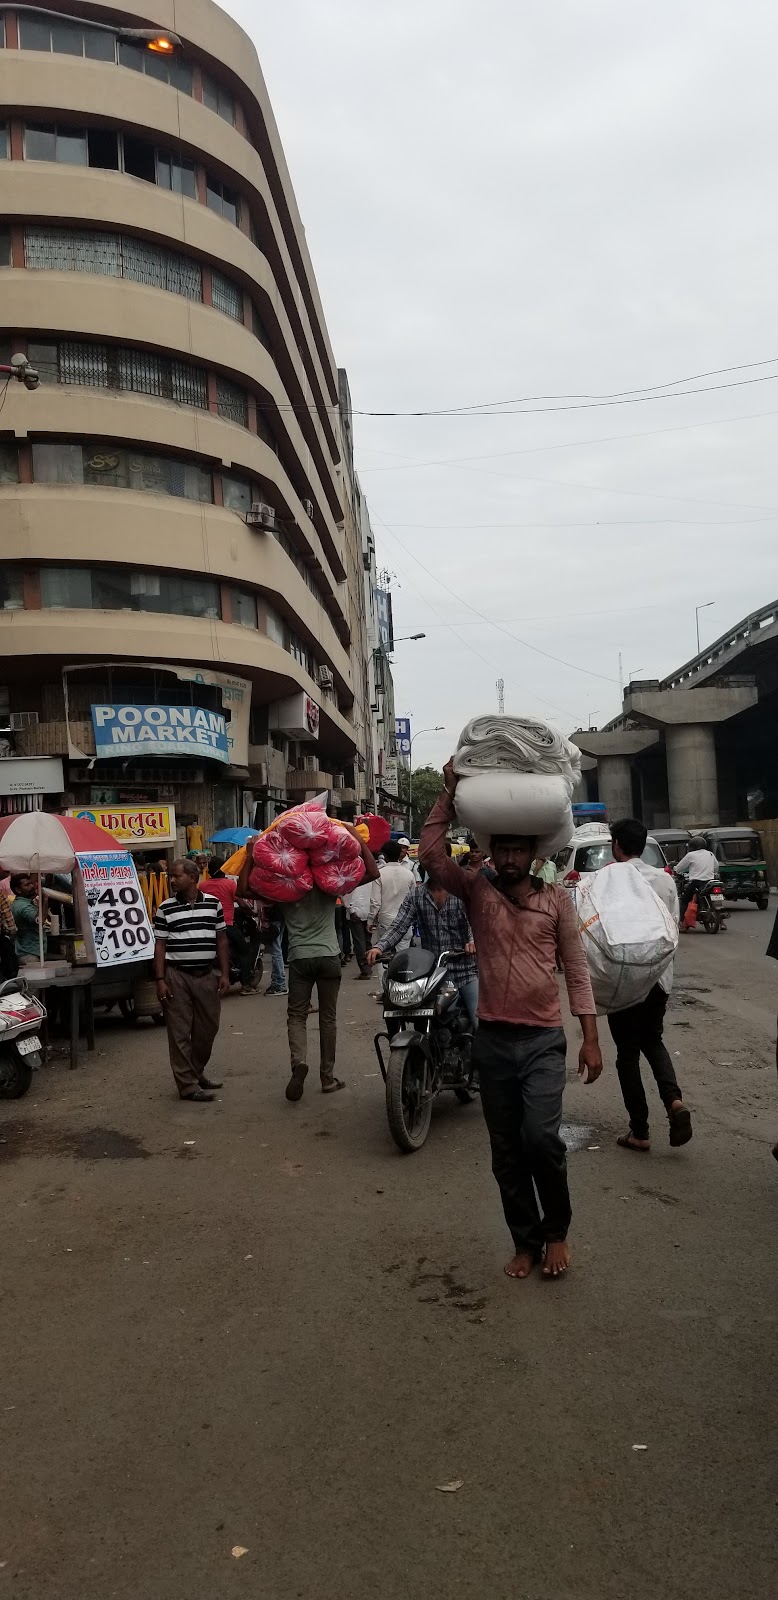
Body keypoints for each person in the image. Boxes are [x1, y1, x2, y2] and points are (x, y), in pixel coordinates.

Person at [418, 762, 602, 1280]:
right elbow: (432, 855)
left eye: (519, 850)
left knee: (541, 1140)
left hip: (543, 1041)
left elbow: (577, 971)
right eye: (502, 849)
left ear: (533, 853)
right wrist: (449, 792)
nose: (510, 858)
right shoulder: (478, 892)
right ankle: (525, 1241)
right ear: (492, 852)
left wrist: (590, 1039)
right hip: (493, 1041)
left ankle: (557, 1231)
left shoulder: (556, 901)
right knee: (505, 1152)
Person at [239, 826, 379, 1101]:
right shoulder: (329, 885)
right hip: (328, 956)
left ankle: (299, 1062)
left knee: (297, 1016)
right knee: (328, 1018)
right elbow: (373, 873)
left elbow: (242, 888)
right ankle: (327, 1078)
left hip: (300, 959)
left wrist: (251, 855)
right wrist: (358, 838)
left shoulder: (283, 889)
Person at [608, 818, 692, 1153]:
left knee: (627, 1055)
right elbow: (673, 928)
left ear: (616, 845)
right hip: (659, 978)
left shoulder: (609, 879)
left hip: (623, 979)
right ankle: (674, 1102)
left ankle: (640, 1131)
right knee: (653, 1041)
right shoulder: (664, 881)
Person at [153, 858, 231, 1102]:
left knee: (208, 1029)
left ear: (193, 878)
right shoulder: (165, 908)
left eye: (177, 876)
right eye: (171, 877)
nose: (172, 880)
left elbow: (221, 940)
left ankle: (196, 1071)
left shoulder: (214, 905)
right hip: (177, 975)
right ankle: (187, 1085)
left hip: (206, 974)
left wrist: (225, 974)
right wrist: (160, 979)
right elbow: (160, 945)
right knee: (179, 1032)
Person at [367, 859, 478, 1026]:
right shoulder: (416, 895)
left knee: (480, 1024)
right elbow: (399, 925)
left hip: (464, 971)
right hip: (431, 974)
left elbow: (474, 922)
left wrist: (472, 941)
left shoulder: (462, 893)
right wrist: (379, 947)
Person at [202, 858, 258, 995]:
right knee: (244, 951)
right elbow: (243, 903)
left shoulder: (202, 886)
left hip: (207, 927)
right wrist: (252, 912)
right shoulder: (230, 884)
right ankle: (246, 985)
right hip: (227, 925)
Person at [369, 840, 415, 946]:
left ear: (384, 855)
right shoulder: (409, 874)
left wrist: (370, 921)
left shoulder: (379, 874)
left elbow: (375, 902)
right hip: (404, 921)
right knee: (403, 957)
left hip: (385, 921)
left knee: (383, 952)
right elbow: (413, 899)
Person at [674, 836, 718, 920]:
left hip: (697, 882)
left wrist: (675, 870)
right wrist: (713, 873)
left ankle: (681, 921)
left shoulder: (691, 855)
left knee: (684, 900)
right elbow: (716, 867)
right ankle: (721, 922)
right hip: (710, 882)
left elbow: (679, 867)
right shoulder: (710, 854)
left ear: (693, 846)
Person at [9, 873, 46, 966]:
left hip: (26, 951)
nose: (32, 886)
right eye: (27, 885)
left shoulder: (19, 903)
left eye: (31, 883)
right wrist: (44, 900)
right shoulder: (23, 906)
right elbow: (40, 920)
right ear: (18, 890)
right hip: (30, 954)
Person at [343, 879, 373, 977]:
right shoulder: (372, 874)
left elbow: (344, 893)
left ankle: (365, 969)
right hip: (369, 910)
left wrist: (351, 910)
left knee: (359, 942)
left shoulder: (352, 875)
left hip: (355, 911)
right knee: (367, 941)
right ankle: (369, 966)